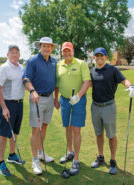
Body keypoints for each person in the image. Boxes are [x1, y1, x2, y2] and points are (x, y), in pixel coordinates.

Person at [89, 47, 134, 175]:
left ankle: (113, 160)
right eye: (97, 55)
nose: (99, 57)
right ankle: (100, 157)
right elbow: (86, 84)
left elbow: (124, 80)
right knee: (98, 133)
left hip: (108, 106)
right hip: (95, 106)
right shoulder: (92, 71)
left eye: (101, 55)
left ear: (106, 57)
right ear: (94, 58)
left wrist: (130, 86)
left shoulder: (113, 70)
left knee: (111, 135)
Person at [54, 42, 91, 175]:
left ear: (73, 51)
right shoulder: (59, 65)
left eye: (69, 51)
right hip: (64, 100)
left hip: (78, 101)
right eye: (64, 51)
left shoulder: (81, 64)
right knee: (67, 127)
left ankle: (76, 159)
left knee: (76, 129)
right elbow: (57, 84)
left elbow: (87, 82)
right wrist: (55, 98)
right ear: (62, 53)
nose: (67, 53)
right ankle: (70, 152)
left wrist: (78, 96)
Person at [22, 37, 58, 175]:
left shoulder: (54, 61)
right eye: (44, 46)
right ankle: (35, 160)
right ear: (40, 47)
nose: (47, 48)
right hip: (37, 99)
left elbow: (55, 81)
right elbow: (25, 78)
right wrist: (32, 91)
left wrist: (55, 98)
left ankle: (41, 152)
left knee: (44, 127)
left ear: (52, 48)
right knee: (36, 130)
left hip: (49, 99)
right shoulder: (32, 61)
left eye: (49, 46)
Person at [0, 45, 25, 176]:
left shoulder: (21, 68)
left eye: (16, 52)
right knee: (3, 134)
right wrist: (4, 108)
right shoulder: (4, 68)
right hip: (8, 104)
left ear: (19, 55)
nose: (14, 55)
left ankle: (12, 155)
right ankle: (1, 162)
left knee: (14, 132)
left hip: (19, 104)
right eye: (12, 52)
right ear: (7, 54)